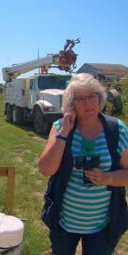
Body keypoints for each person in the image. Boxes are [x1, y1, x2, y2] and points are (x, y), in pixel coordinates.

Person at [37, 73, 128, 254]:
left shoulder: (116, 129)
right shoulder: (60, 127)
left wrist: (107, 177)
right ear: (71, 104)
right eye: (80, 98)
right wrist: (64, 133)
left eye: (92, 96)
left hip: (103, 226)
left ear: (99, 97)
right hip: (63, 223)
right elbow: (46, 170)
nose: (88, 103)